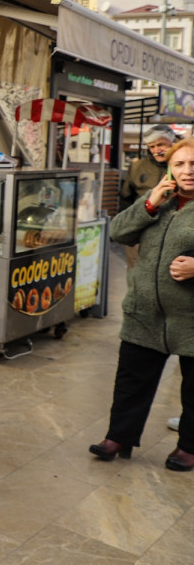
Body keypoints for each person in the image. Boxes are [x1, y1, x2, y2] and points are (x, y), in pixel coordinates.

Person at [92, 136, 194, 472]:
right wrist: (149, 203)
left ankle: (189, 446)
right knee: (131, 379)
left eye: (193, 164)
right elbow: (117, 232)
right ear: (169, 169)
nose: (187, 170)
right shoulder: (159, 200)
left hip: (189, 317)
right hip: (144, 310)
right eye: (179, 164)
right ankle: (118, 437)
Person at [122, 125, 177, 267]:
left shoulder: (184, 165)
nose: (156, 151)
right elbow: (126, 198)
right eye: (152, 146)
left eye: (161, 145)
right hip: (141, 229)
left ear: (172, 143)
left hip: (174, 232)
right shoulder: (137, 166)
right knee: (136, 273)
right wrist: (128, 229)